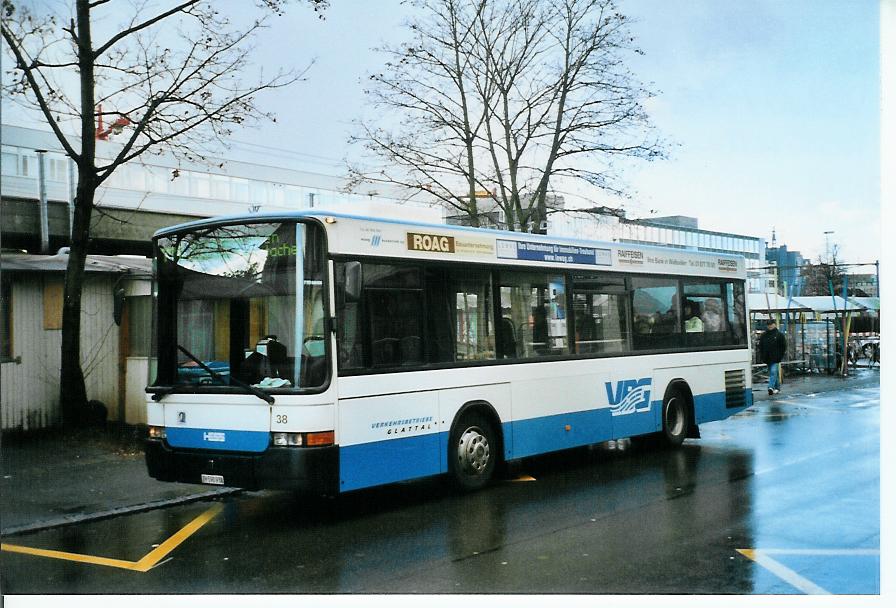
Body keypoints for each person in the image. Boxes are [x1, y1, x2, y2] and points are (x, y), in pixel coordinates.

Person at [759, 320, 787, 395]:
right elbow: (761, 346)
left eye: (771, 324)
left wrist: (780, 356)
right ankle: (777, 388)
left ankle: (770, 387)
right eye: (768, 325)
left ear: (774, 324)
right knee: (774, 373)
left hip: (776, 358)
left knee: (773, 372)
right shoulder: (764, 335)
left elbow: (783, 346)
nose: (770, 326)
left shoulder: (779, 335)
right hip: (767, 357)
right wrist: (762, 356)